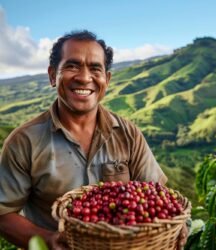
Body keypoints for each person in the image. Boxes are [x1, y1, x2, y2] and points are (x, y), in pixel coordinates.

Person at [0, 30, 188, 249]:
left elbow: (157, 197)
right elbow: (3, 214)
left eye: (95, 68)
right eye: (72, 66)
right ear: (53, 76)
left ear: (106, 80)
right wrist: (49, 240)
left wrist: (176, 226)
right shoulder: (24, 141)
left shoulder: (128, 134)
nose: (84, 77)